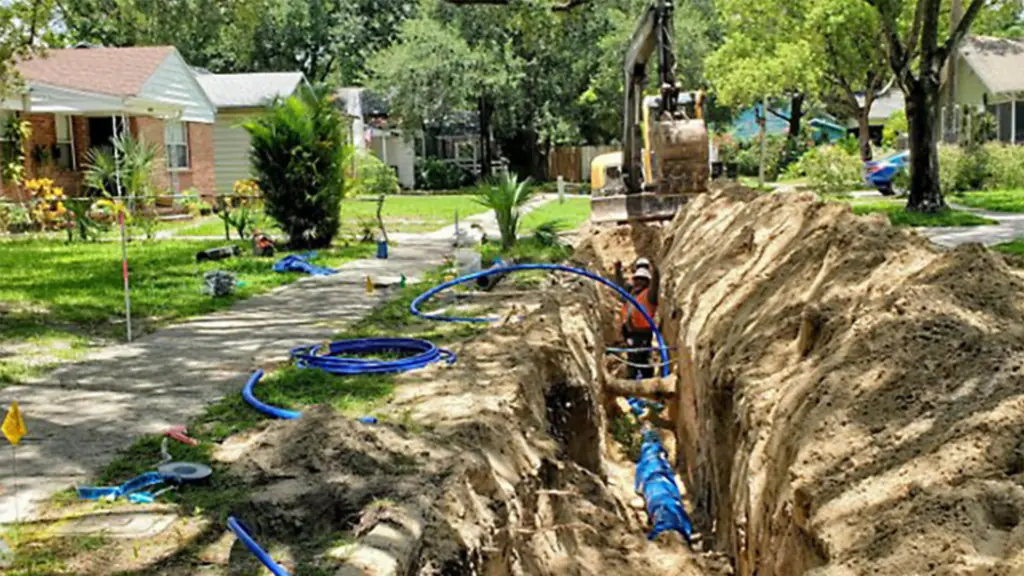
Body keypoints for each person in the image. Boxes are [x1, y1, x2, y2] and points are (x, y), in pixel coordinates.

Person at [614, 258, 659, 379]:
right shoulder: (631, 294)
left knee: (644, 363)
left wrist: (656, 271)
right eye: (637, 279)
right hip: (630, 335)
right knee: (632, 363)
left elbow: (656, 284)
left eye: (642, 280)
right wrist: (617, 270)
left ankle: (648, 389)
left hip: (642, 336)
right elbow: (619, 285)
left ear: (647, 282)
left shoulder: (649, 295)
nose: (638, 282)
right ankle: (633, 389)